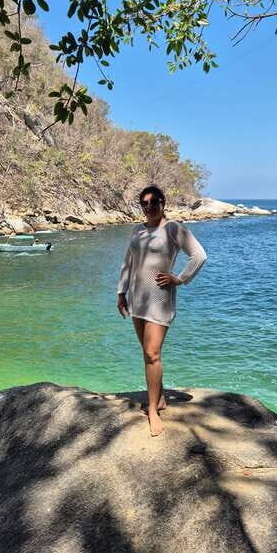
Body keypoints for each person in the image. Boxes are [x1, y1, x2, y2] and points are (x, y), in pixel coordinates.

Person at [117, 185, 207, 436]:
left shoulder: (172, 228)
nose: (148, 207)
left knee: (152, 353)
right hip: (138, 299)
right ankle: (161, 398)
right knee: (148, 355)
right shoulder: (137, 230)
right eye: (143, 203)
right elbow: (128, 263)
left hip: (159, 300)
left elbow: (198, 255)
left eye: (153, 202)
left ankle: (153, 410)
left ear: (162, 203)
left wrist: (179, 278)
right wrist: (121, 292)